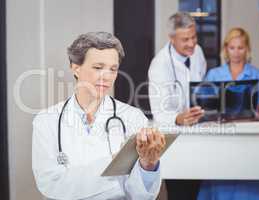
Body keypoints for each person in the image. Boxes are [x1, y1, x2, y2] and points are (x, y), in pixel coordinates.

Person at [32, 32, 166, 200]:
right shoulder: (47, 121)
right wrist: (113, 164)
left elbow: (140, 196)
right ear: (75, 67)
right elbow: (50, 185)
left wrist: (148, 165)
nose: (107, 76)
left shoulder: (133, 118)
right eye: (98, 67)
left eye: (113, 69)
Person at [197, 27, 259, 200]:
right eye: (232, 48)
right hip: (221, 139)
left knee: (248, 183)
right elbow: (205, 110)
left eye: (240, 48)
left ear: (247, 49)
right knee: (220, 183)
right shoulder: (214, 74)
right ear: (226, 49)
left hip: (249, 139)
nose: (236, 52)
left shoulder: (258, 75)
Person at [148, 11, 207, 126]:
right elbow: (159, 113)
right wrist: (178, 118)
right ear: (172, 38)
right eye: (185, 40)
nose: (191, 44)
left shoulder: (198, 51)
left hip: (197, 126)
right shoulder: (159, 65)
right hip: (172, 131)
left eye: (194, 37)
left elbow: (201, 84)